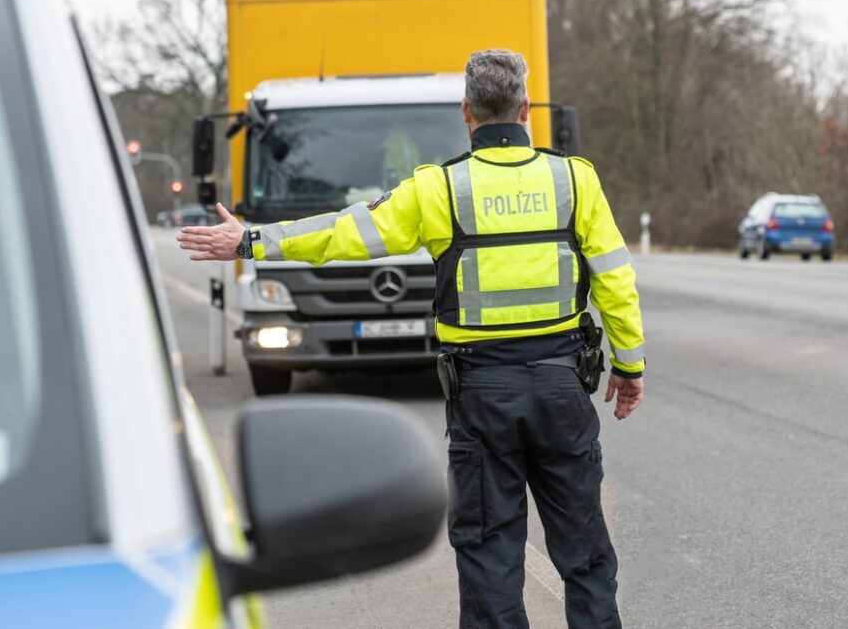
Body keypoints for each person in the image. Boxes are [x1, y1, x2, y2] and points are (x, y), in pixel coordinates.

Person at [178, 49, 646, 628]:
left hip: (482, 397)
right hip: (561, 389)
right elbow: (615, 279)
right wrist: (630, 366)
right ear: (525, 110)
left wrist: (252, 241)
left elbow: (343, 234)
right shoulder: (575, 179)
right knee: (586, 556)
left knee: (490, 558)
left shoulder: (439, 190)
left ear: (466, 112)